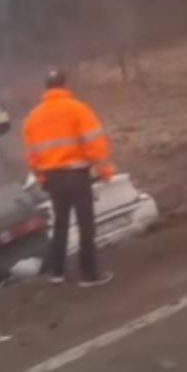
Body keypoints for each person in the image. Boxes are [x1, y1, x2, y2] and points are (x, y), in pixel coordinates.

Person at [22, 69, 115, 287]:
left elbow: (31, 156)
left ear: (46, 88)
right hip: (76, 175)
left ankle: (57, 272)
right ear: (65, 85)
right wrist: (104, 170)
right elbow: (94, 144)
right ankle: (89, 274)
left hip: (52, 179)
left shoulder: (33, 118)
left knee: (60, 224)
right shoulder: (78, 109)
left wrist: (41, 178)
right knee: (85, 225)